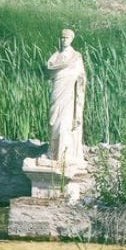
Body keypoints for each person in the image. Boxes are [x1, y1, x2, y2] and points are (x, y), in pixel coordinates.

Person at [46, 28, 86, 171]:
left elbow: (81, 77)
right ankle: (52, 151)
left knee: (65, 123)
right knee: (53, 120)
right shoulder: (55, 57)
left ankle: (65, 155)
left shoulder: (76, 57)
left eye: (67, 38)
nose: (64, 40)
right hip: (57, 91)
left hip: (69, 95)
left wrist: (76, 81)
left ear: (71, 39)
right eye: (62, 37)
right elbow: (49, 71)